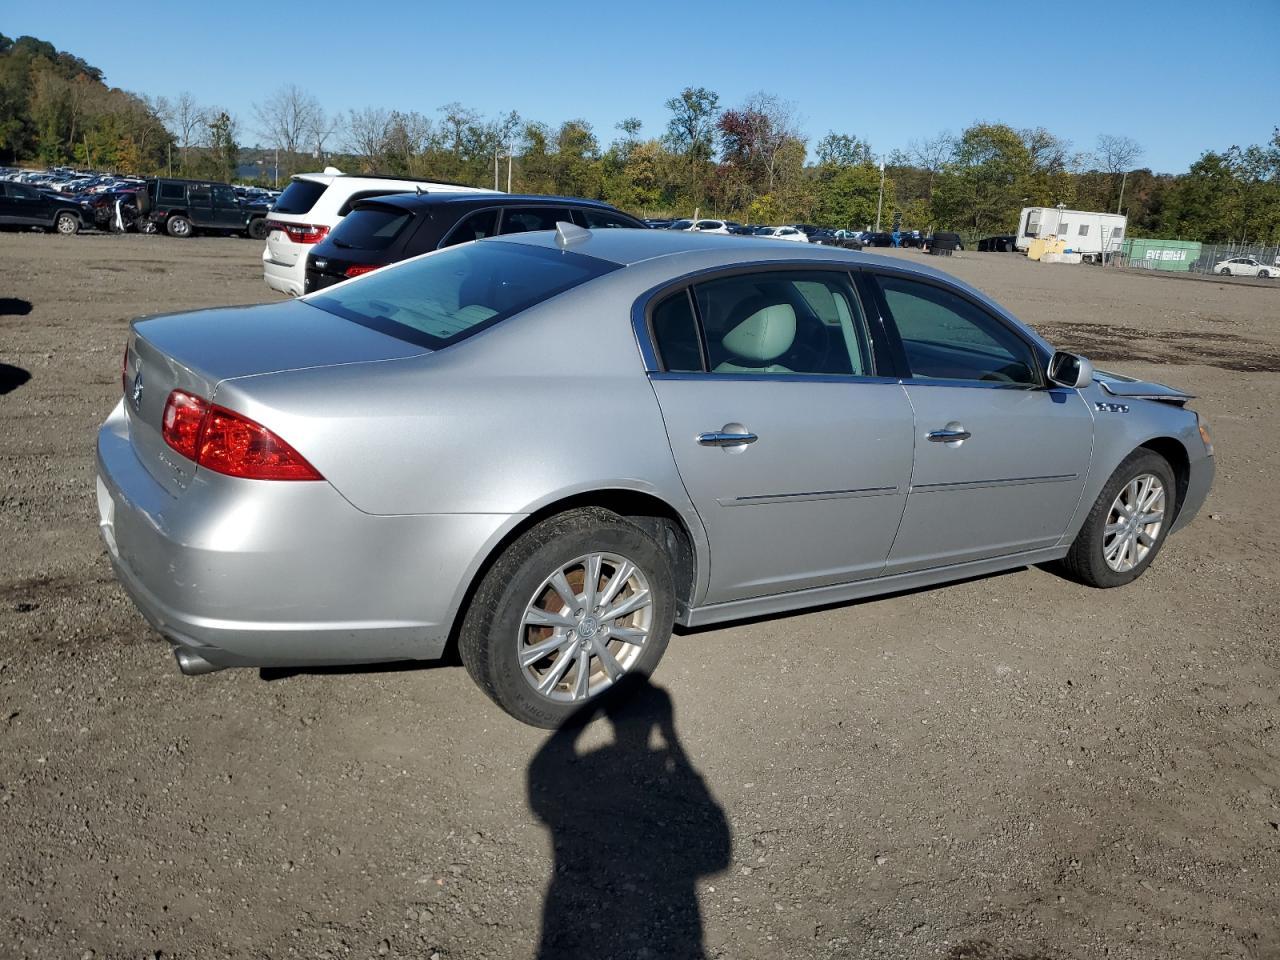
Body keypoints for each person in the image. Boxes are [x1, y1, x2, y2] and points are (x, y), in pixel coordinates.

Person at [528, 675, 730, 959]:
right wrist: (673, 741)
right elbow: (718, 854)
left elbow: (541, 774)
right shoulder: (651, 769)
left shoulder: (591, 770)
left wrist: (592, 703)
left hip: (571, 905)